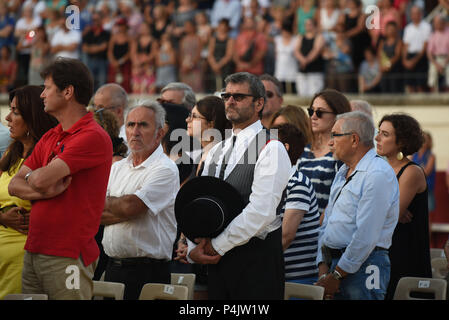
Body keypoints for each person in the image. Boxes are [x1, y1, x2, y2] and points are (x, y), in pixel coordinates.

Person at [8, 58, 112, 300]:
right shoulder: (51, 135)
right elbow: (15, 185)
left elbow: (40, 179)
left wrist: (36, 180)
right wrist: (44, 191)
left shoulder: (92, 136)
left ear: (68, 92)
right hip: (35, 249)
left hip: (68, 255)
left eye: (47, 87)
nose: (42, 94)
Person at [186, 72, 292, 299]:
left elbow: (261, 212)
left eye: (239, 96)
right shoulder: (217, 149)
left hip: (256, 263)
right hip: (217, 264)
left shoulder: (271, 146)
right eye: (227, 96)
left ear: (259, 103)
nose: (230, 101)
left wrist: (217, 245)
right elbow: (199, 202)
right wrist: (192, 248)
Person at [315, 111, 400, 300]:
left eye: (335, 135)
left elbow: (366, 235)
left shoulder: (377, 174)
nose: (330, 142)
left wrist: (336, 274)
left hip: (364, 266)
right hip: (336, 265)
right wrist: (323, 268)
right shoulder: (343, 171)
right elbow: (327, 222)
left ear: (354, 140)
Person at [100, 100, 179, 300]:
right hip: (112, 269)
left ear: (160, 133)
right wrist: (123, 208)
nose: (135, 131)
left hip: (147, 274)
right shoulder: (117, 168)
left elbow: (131, 206)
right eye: (130, 125)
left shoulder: (165, 169)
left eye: (143, 125)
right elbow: (94, 213)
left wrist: (120, 207)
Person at [0, 85, 58, 299]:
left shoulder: (50, 158)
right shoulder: (10, 154)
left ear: (33, 116)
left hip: (24, 258)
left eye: (15, 112)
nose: (7, 118)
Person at [375, 113, 432, 299]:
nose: (377, 138)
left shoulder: (411, 171)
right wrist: (388, 208)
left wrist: (389, 211)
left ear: (401, 141)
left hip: (405, 256)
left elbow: (390, 217)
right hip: (384, 254)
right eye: (379, 132)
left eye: (385, 134)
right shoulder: (379, 168)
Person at [272, 123, 320, 285]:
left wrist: (259, 264)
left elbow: (286, 235)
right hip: (279, 276)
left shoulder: (297, 183)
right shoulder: (272, 183)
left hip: (298, 280)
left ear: (284, 148)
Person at [297, 89, 351, 220]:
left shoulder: (342, 154)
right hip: (298, 230)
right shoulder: (303, 149)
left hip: (324, 231)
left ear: (338, 115)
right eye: (311, 111)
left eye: (319, 112)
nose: (313, 116)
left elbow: (342, 198)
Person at [402, 6, 431, 93]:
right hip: (409, 57)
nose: (415, 16)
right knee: (410, 85)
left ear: (421, 14)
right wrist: (404, 60)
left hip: (421, 57)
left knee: (420, 85)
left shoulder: (426, 26)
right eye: (413, 14)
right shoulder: (408, 28)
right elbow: (405, 46)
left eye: (417, 13)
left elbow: (425, 47)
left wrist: (414, 61)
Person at [294, 18, 326, 97]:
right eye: (306, 25)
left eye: (309, 24)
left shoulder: (319, 37)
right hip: (302, 71)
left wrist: (305, 61)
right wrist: (302, 60)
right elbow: (296, 50)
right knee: (301, 95)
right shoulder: (300, 37)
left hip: (315, 71)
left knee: (314, 95)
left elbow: (316, 50)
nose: (307, 27)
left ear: (314, 26)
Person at [82, 11, 111, 92]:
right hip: (91, 61)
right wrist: (98, 48)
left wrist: (91, 48)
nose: (94, 22)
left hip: (102, 61)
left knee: (102, 85)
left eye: (96, 20)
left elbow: (104, 47)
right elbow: (84, 48)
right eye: (93, 20)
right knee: (90, 84)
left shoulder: (106, 33)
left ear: (101, 20)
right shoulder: (89, 33)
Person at [207, 18, 235, 92]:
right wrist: (214, 65)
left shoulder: (230, 40)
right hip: (214, 64)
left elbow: (229, 55)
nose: (222, 28)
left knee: (224, 86)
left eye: (224, 26)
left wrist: (219, 65)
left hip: (225, 66)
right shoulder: (213, 39)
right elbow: (210, 54)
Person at [412, 131, 436, 213]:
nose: (422, 141)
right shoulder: (413, 154)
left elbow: (426, 172)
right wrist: (420, 169)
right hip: (414, 188)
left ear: (429, 141)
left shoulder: (431, 156)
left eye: (425, 139)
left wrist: (415, 171)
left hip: (427, 188)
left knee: (427, 213)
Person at [107, 18, 132, 93]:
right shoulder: (114, 37)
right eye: (119, 25)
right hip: (114, 64)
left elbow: (130, 52)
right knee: (113, 83)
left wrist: (120, 62)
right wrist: (113, 62)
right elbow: (110, 51)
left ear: (125, 26)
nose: (120, 27)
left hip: (125, 64)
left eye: (121, 25)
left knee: (125, 83)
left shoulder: (130, 38)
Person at [178, 19, 204, 93]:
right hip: (184, 68)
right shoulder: (183, 39)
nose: (187, 28)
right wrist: (183, 66)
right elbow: (180, 54)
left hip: (195, 68)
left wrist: (191, 65)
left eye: (188, 26)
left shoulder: (198, 38)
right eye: (185, 26)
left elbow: (199, 54)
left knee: (196, 90)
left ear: (193, 27)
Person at [274, 19, 298, 95]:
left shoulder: (295, 40)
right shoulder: (277, 39)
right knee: (281, 91)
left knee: (291, 91)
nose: (285, 34)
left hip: (292, 69)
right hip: (280, 70)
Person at [378, 21, 403, 93]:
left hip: (394, 70)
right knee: (384, 89)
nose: (391, 31)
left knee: (394, 90)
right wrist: (381, 66)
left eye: (392, 29)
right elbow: (379, 55)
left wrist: (388, 65)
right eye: (389, 29)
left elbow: (397, 55)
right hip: (384, 70)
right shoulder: (382, 42)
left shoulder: (399, 42)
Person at [427, 14, 449, 93]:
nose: (435, 25)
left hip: (447, 59)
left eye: (438, 22)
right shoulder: (433, 35)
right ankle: (434, 96)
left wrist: (445, 63)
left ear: (443, 22)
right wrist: (437, 64)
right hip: (436, 60)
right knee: (432, 73)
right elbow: (429, 53)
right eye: (435, 23)